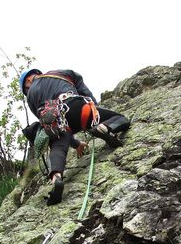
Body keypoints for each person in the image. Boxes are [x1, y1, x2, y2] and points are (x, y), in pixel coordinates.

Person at [20, 68, 130, 205]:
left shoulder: (31, 96)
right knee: (120, 118)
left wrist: (76, 144)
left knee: (58, 146)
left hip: (55, 118)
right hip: (77, 108)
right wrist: (94, 106)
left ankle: (56, 178)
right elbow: (78, 81)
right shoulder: (59, 74)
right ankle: (105, 127)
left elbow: (47, 125)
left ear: (28, 81)